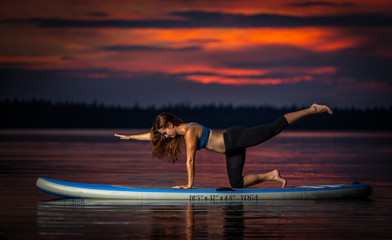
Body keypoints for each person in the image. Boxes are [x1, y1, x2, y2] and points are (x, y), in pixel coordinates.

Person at [115, 103, 333, 189]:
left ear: (171, 125)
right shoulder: (180, 133)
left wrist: (189, 185)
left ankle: (312, 109)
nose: (166, 137)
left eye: (165, 132)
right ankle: (272, 175)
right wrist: (131, 137)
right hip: (231, 149)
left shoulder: (190, 132)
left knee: (274, 127)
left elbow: (190, 160)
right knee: (236, 183)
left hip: (235, 138)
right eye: (163, 134)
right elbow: (153, 137)